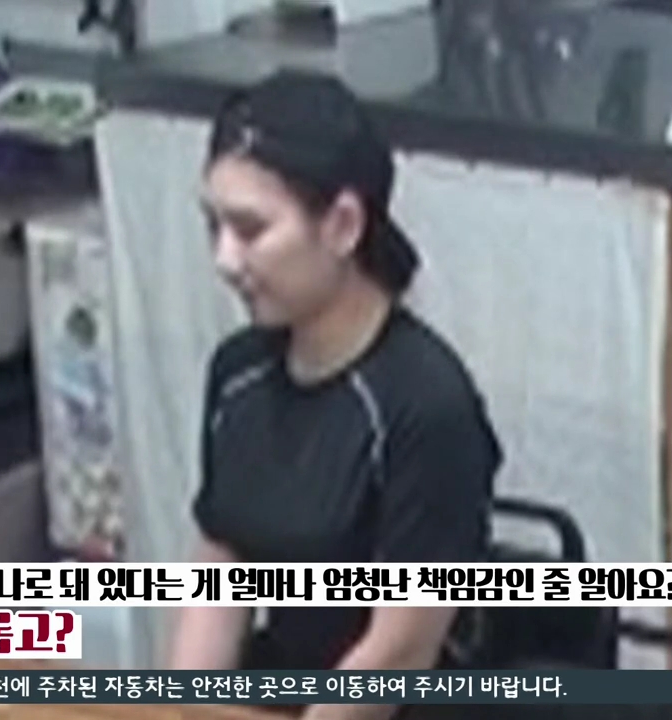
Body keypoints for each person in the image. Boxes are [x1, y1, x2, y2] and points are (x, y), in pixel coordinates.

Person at [167, 69, 503, 720]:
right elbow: (220, 571)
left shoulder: (427, 405)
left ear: (343, 225)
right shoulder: (238, 374)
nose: (225, 260)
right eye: (214, 227)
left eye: (250, 230)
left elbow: (399, 652)